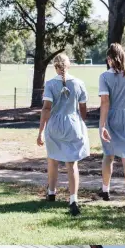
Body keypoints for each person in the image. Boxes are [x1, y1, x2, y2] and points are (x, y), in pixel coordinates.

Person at [37, 53, 90, 217]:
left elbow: (46, 108)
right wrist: (79, 120)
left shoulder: (51, 84)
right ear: (68, 65)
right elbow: (83, 109)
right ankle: (73, 199)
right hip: (73, 125)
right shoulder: (79, 83)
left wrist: (40, 132)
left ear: (55, 67)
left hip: (54, 125)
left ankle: (51, 192)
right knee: (71, 164)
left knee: (52, 160)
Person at [98, 43, 125, 210]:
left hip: (111, 117)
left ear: (109, 59)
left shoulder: (104, 77)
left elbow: (105, 102)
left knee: (108, 155)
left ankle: (105, 190)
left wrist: (103, 125)